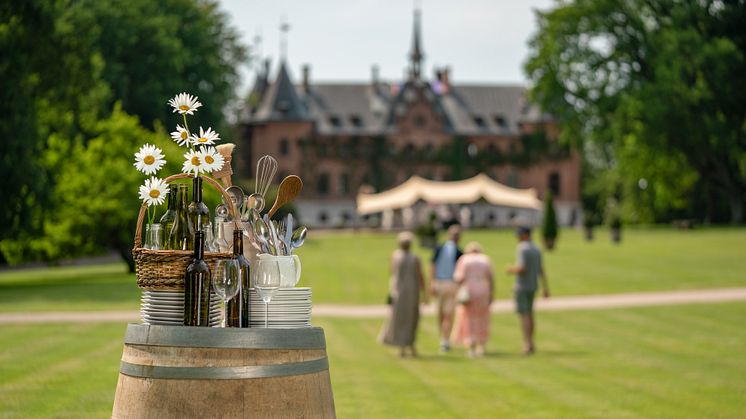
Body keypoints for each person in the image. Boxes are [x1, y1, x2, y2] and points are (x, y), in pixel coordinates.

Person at [380, 231, 428, 357]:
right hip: (411, 292)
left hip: (398, 291)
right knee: (410, 319)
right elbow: (420, 276)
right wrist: (425, 294)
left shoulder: (395, 256)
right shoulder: (413, 258)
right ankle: (407, 345)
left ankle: (403, 347)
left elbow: (391, 271)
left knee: (400, 319)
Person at [505, 226, 550, 355]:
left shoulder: (522, 248)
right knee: (530, 314)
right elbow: (541, 269)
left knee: (524, 315)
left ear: (525, 235)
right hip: (533, 285)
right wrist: (545, 288)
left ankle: (527, 344)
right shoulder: (537, 248)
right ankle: (531, 342)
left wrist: (510, 270)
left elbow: (522, 268)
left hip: (522, 286)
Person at [452, 242, 495, 357]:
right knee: (482, 318)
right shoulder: (485, 259)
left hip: (469, 291)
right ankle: (481, 345)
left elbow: (459, 278)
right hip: (483, 290)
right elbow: (491, 278)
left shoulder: (464, 259)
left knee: (468, 318)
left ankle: (471, 345)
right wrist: (492, 294)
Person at [430, 224, 463, 352]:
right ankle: (444, 339)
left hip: (445, 283)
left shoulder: (457, 252)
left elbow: (432, 266)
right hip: (446, 283)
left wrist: (432, 282)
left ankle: (444, 340)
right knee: (444, 314)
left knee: (445, 314)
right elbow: (433, 265)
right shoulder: (442, 249)